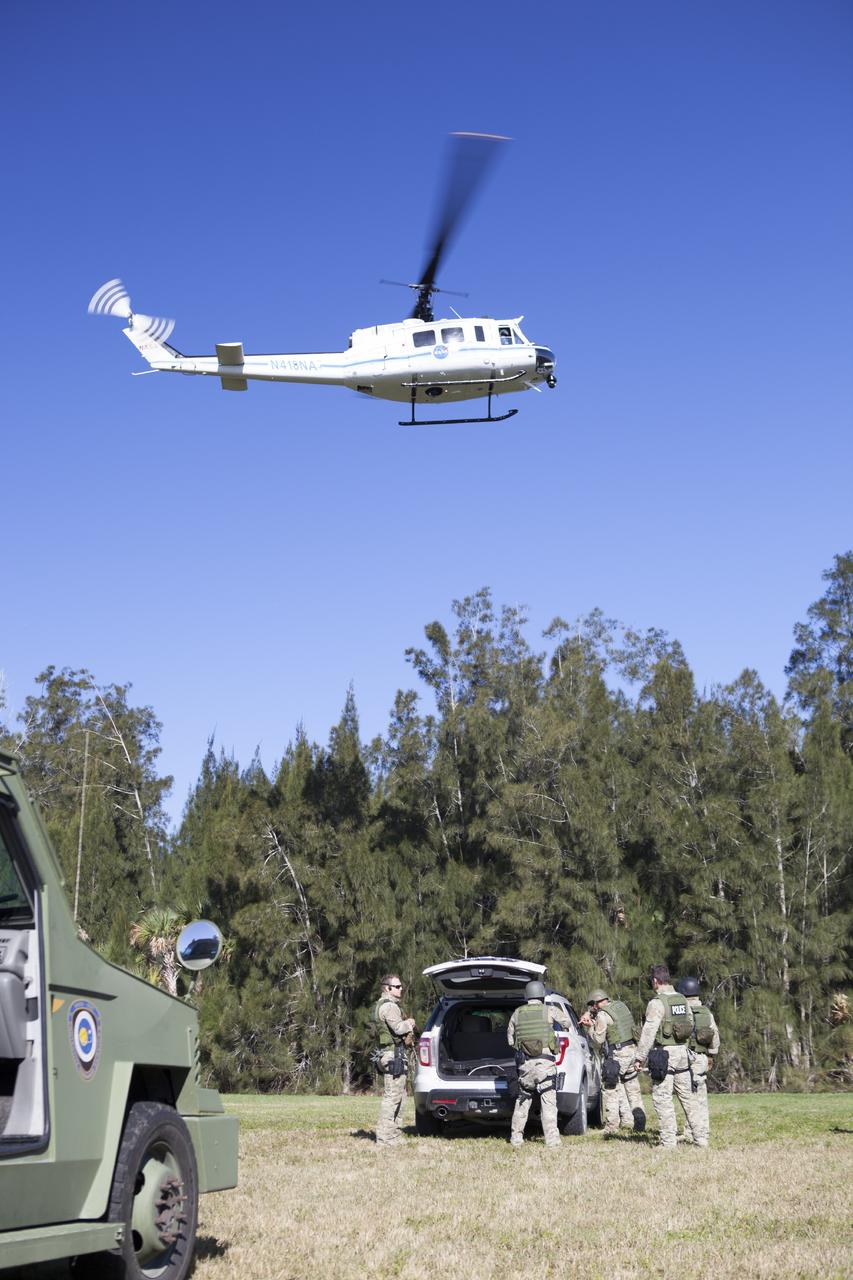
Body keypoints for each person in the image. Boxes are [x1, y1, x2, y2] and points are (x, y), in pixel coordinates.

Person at [634, 963, 703, 1150]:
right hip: (683, 1052)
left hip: (664, 1054)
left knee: (662, 1097)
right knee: (688, 1098)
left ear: (655, 981)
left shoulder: (657, 1003)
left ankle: (668, 1141)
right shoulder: (682, 999)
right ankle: (701, 1139)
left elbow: (648, 1033)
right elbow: (690, 1024)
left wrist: (639, 1057)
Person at [579, 988, 645, 1134]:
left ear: (597, 1003)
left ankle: (611, 1127)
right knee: (633, 1089)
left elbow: (598, 1041)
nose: (593, 1008)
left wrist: (590, 1028)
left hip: (618, 1054)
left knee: (610, 1089)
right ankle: (639, 1123)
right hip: (632, 1050)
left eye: (593, 1005)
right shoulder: (621, 1006)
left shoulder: (603, 1015)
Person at [506, 980, 563, 1149]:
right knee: (548, 1101)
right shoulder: (549, 1010)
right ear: (541, 995)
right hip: (545, 1063)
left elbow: (510, 1040)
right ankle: (552, 1141)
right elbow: (566, 1023)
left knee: (523, 1099)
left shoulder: (517, 1013)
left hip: (526, 1064)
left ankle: (516, 1139)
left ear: (527, 995)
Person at [372, 973, 417, 1149]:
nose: (401, 989)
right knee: (392, 1098)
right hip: (393, 1056)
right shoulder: (390, 1007)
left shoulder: (380, 1005)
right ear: (387, 988)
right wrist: (410, 1023)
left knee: (401, 1097)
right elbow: (398, 1029)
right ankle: (385, 1138)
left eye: (400, 986)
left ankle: (394, 1135)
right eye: (397, 987)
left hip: (389, 1054)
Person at [676, 976, 720, 1147]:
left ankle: (695, 1134)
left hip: (687, 1058)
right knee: (700, 1096)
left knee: (689, 1098)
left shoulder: (682, 1012)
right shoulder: (706, 1012)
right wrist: (711, 1055)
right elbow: (714, 1035)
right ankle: (700, 1130)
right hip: (702, 1057)